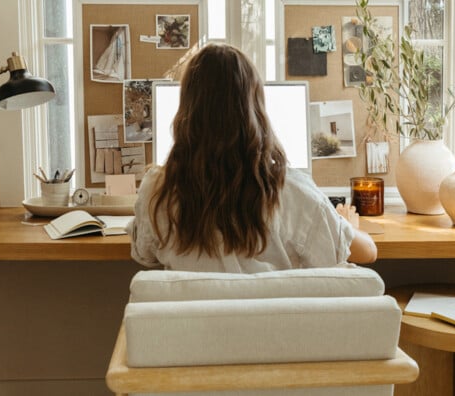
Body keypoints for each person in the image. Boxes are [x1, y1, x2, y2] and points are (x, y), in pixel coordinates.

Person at [127, 43, 377, 273]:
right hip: (270, 324)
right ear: (255, 111)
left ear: (187, 113)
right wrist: (346, 225)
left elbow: (144, 253)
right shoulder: (291, 192)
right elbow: (367, 252)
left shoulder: (157, 192)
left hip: (193, 323)